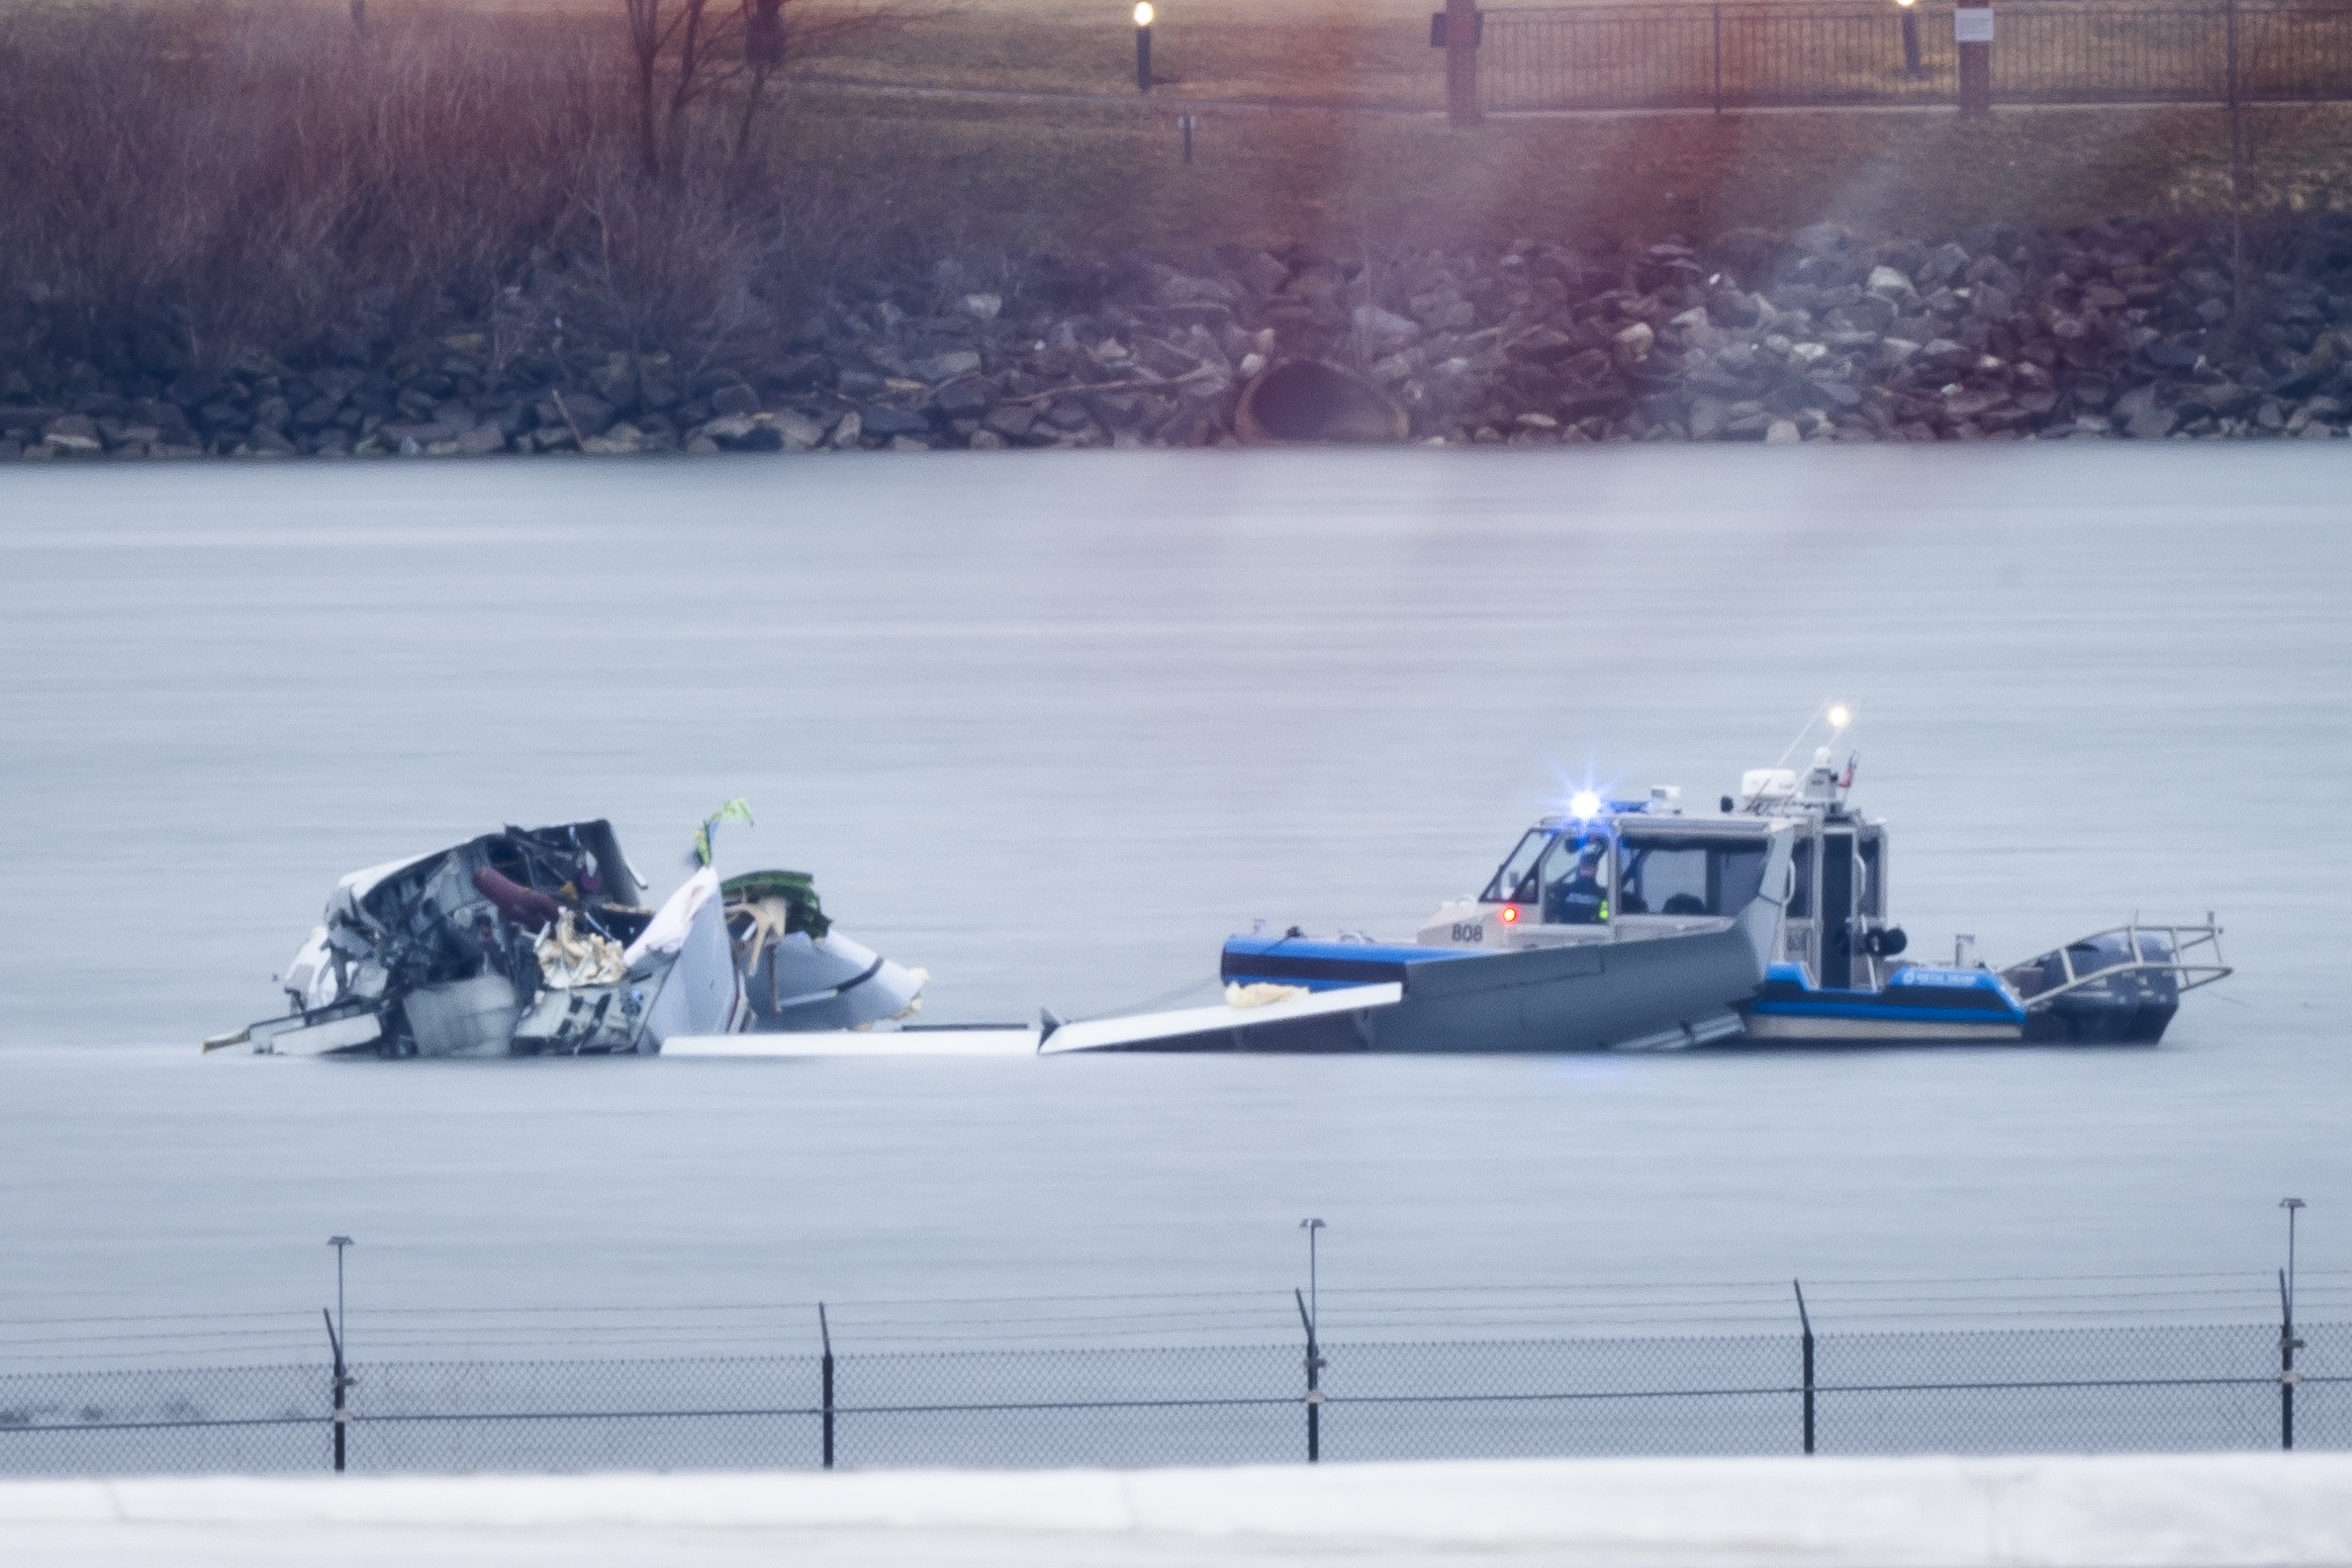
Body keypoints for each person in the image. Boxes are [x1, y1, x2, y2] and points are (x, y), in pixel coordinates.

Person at [1547, 840, 1609, 925]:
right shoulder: (1603, 895)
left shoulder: (1563, 890)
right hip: (1592, 935)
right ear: (1596, 868)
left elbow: (1555, 914)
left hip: (1565, 934)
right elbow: (1604, 917)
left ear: (1580, 867)